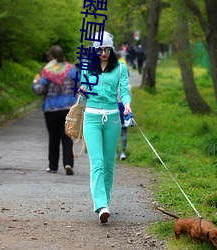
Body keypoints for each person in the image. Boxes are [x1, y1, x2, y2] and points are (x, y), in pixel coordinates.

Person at [79, 31, 131, 223]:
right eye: (100, 49)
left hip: (113, 119)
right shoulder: (87, 67)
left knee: (109, 164)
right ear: (95, 50)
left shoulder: (120, 68)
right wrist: (82, 90)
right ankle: (101, 205)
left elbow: (124, 90)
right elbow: (83, 92)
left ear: (112, 49)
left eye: (107, 49)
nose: (104, 53)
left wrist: (127, 104)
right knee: (98, 162)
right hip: (91, 117)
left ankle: (105, 201)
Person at [32, 45, 79, 175]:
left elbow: (40, 90)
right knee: (67, 136)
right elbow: (80, 86)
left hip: (51, 109)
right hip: (68, 109)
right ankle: (68, 163)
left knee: (53, 138)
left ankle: (53, 167)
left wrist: (35, 83)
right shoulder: (72, 70)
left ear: (51, 57)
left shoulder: (47, 72)